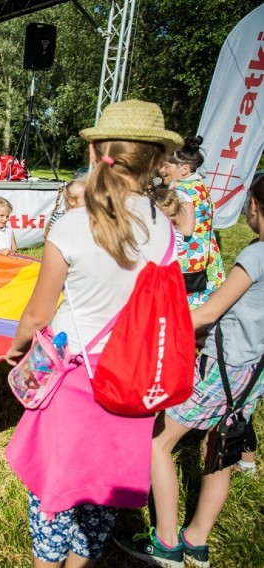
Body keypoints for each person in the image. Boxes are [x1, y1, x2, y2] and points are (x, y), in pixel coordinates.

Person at [4, 99, 181, 567]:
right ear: (156, 161)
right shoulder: (165, 229)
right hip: (133, 380)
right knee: (101, 495)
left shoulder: (72, 226)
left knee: (54, 490)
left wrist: (17, 349)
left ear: (99, 151)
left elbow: (38, 316)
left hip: (73, 379)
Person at [117, 176, 264, 568]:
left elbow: (212, 310)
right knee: (221, 449)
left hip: (222, 365)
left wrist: (159, 323)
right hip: (255, 370)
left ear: (256, 208)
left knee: (158, 442)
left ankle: (166, 542)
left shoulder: (256, 255)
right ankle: (196, 540)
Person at [160, 135, 225, 308]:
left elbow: (184, 229)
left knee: (179, 306)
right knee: (201, 303)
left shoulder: (179, 188)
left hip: (187, 256)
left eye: (166, 166)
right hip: (206, 252)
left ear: (184, 169)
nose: (162, 170)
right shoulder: (200, 185)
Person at [154, 186, 186, 254]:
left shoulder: (177, 237)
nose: (168, 220)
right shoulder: (146, 234)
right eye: (163, 217)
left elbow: (178, 260)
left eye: (172, 215)